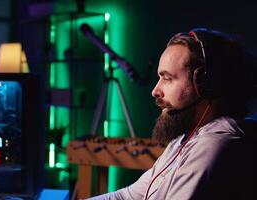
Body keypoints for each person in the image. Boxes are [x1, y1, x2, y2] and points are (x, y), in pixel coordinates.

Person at [88, 28, 257, 200]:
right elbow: (127, 196)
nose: (155, 91)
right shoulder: (183, 139)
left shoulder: (212, 145)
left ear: (204, 85)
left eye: (167, 78)